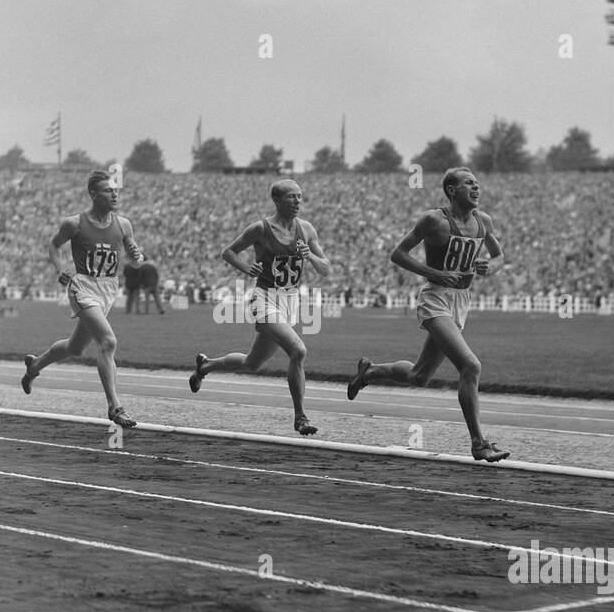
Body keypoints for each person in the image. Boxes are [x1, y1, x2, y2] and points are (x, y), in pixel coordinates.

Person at [345, 168, 509, 463]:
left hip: (461, 301)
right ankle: (478, 443)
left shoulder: (483, 221)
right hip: (435, 299)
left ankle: (369, 371)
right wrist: (433, 272)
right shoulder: (434, 220)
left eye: (477, 184)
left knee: (419, 376)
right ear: (451, 190)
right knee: (470, 366)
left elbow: (499, 256)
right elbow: (398, 254)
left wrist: (490, 267)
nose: (476, 188)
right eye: (468, 183)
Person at [188, 178, 330, 436]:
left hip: (290, 300)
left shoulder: (306, 229)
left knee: (252, 363)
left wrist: (311, 255)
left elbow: (326, 269)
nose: (298, 201)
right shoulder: (261, 229)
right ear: (277, 200)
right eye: (292, 197)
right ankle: (301, 417)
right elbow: (228, 252)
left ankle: (205, 366)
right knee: (298, 350)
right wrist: (246, 268)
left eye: (300, 196)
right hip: (264, 298)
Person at [20, 169, 142, 428]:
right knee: (108, 342)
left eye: (115, 190)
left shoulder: (123, 224)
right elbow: (54, 245)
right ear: (93, 194)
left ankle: (35, 365)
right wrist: (59, 268)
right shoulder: (74, 223)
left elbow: (135, 259)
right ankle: (115, 408)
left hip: (108, 289)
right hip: (83, 286)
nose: (115, 193)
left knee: (75, 348)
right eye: (108, 190)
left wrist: (136, 255)